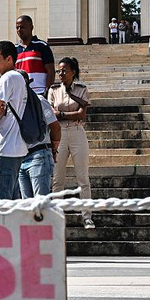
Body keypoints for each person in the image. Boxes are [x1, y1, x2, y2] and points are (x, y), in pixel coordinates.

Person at [50, 57, 94, 230]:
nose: (61, 74)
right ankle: (56, 217)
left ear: (73, 72)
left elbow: (82, 114)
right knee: (57, 179)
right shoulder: (53, 90)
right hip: (59, 133)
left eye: (64, 70)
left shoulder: (81, 89)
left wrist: (61, 114)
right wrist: (68, 115)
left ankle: (87, 216)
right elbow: (50, 113)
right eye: (59, 71)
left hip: (77, 132)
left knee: (83, 177)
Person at [0, 41, 28, 199]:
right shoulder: (19, 77)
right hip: (16, 148)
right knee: (12, 201)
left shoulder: (7, 78)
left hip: (4, 148)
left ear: (9, 59)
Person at [18, 70, 61, 198]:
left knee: (41, 203)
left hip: (39, 154)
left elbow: (55, 127)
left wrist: (53, 149)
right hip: (21, 157)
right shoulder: (14, 104)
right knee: (27, 204)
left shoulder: (39, 100)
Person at [15, 15, 55, 97]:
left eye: (22, 27)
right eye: (17, 27)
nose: (19, 30)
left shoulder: (42, 46)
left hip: (39, 92)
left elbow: (50, 70)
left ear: (31, 27)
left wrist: (47, 91)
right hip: (21, 94)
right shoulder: (15, 49)